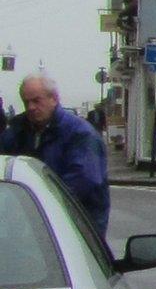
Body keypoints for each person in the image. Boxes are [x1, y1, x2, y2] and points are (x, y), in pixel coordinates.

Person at [1, 74, 113, 239]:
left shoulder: (81, 134)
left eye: (36, 100)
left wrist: (35, 205)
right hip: (33, 229)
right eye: (26, 102)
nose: (31, 107)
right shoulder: (19, 131)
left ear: (54, 99)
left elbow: (82, 182)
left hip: (76, 229)